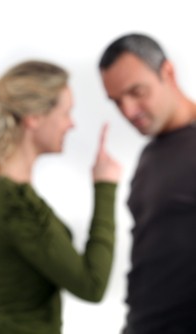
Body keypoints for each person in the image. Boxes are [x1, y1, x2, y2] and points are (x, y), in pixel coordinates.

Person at [0, 60, 122, 334]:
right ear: (34, 116)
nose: (71, 124)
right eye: (66, 112)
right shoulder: (14, 204)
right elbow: (92, 285)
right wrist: (105, 186)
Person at [99, 33, 196, 334]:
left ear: (167, 72)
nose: (128, 111)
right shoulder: (149, 157)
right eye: (117, 101)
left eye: (137, 92)